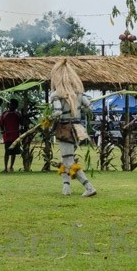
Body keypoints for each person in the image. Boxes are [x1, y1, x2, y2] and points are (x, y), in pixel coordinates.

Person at [50, 58, 97, 197]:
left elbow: (57, 112)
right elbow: (89, 109)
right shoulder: (79, 93)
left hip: (65, 128)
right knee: (65, 158)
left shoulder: (56, 94)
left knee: (69, 160)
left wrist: (49, 118)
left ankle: (89, 187)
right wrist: (78, 106)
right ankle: (66, 188)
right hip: (78, 129)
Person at [0, 98, 21, 172]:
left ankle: (11, 167)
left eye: (13, 105)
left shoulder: (18, 114)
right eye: (10, 104)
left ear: (16, 106)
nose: (11, 106)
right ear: (9, 105)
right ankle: (5, 168)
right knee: (7, 152)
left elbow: (22, 123)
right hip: (7, 136)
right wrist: (3, 130)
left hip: (16, 136)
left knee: (13, 153)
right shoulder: (4, 113)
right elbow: (1, 124)